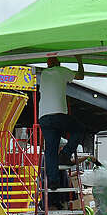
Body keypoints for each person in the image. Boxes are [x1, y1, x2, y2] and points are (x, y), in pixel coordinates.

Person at [37, 57, 86, 192]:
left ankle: (53, 182)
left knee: (51, 149)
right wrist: (79, 60)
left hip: (43, 117)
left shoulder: (44, 74)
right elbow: (81, 76)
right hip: (58, 114)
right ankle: (65, 153)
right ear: (58, 63)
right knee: (79, 129)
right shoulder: (61, 70)